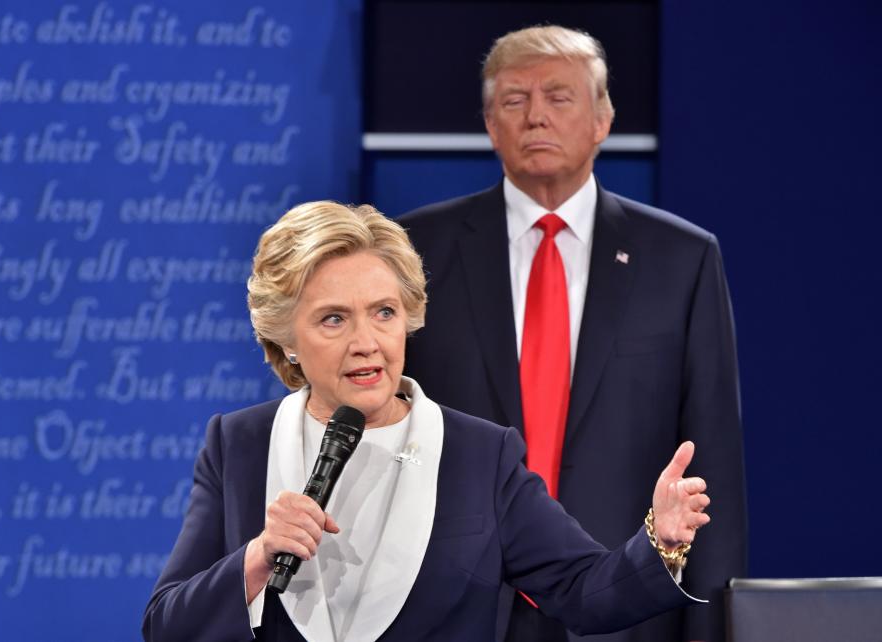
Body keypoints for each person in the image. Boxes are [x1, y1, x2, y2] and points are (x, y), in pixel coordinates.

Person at [142, 201, 712, 642]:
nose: (366, 343)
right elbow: (167, 625)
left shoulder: (479, 455)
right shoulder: (238, 445)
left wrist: (658, 543)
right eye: (333, 319)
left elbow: (584, 593)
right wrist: (258, 556)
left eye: (383, 313)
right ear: (286, 341)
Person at [397, 25, 747, 642]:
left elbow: (711, 458)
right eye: (514, 100)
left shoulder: (681, 259)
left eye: (558, 97)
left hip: (630, 607)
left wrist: (711, 624)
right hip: (456, 610)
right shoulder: (415, 251)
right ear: (488, 122)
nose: (536, 117)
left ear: (602, 119)